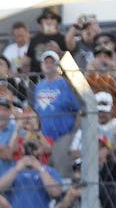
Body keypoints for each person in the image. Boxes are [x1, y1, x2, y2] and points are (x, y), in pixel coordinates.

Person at [32, 50, 81, 181]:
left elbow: (79, 111)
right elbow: (37, 113)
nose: (48, 65)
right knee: (47, 174)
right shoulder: (39, 86)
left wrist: (73, 134)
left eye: (51, 62)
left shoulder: (65, 84)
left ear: (57, 65)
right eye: (46, 62)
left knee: (63, 174)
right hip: (44, 138)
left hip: (64, 136)